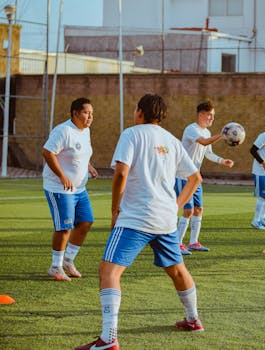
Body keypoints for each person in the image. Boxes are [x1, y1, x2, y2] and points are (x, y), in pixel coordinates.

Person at [76, 94, 204, 350]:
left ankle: (109, 339)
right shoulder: (171, 140)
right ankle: (193, 320)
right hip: (165, 219)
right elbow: (196, 178)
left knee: (108, 272)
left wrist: (115, 210)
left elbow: (121, 172)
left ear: (141, 112)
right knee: (177, 270)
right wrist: (176, 206)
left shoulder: (132, 134)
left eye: (136, 107)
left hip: (136, 217)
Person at [42, 97, 98, 282]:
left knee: (86, 222)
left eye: (91, 113)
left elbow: (80, 153)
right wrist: (61, 175)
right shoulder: (63, 130)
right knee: (64, 227)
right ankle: (55, 267)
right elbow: (47, 152)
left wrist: (88, 166)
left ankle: (68, 261)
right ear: (75, 113)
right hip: (59, 188)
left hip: (79, 189)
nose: (90, 117)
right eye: (86, 113)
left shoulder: (86, 131)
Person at [175, 100, 234, 254]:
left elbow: (208, 152)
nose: (212, 119)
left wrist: (222, 161)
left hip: (196, 177)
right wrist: (223, 135)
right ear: (200, 114)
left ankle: (193, 242)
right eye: (209, 115)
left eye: (213, 116)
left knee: (199, 209)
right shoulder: (191, 129)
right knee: (187, 210)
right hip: (184, 176)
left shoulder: (207, 132)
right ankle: (177, 244)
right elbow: (204, 142)